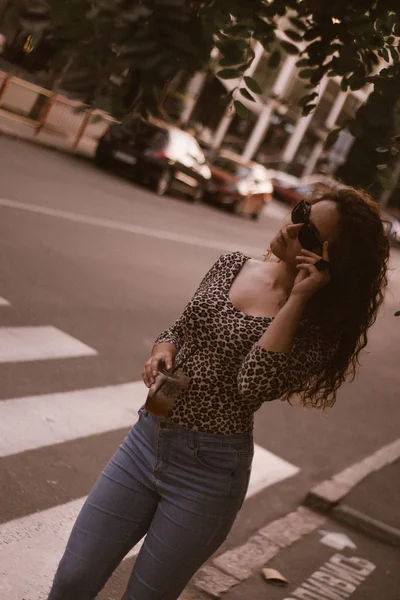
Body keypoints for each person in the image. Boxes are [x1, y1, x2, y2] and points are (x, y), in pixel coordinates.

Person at [47, 187, 389, 600]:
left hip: (206, 474)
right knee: (72, 579)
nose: (292, 227)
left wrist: (297, 299)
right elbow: (182, 328)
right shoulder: (231, 265)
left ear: (329, 259)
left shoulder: (317, 325)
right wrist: (163, 349)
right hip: (146, 439)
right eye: (300, 211)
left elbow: (253, 386)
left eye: (310, 235)